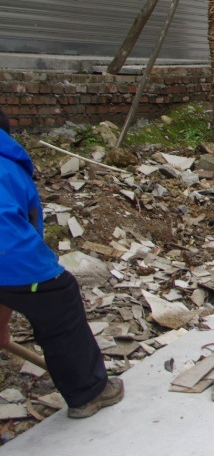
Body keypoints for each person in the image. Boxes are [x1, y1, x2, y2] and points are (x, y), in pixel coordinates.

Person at [0, 110, 125, 419]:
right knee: (59, 297)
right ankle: (90, 392)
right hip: (11, 256)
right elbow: (24, 245)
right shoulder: (9, 169)